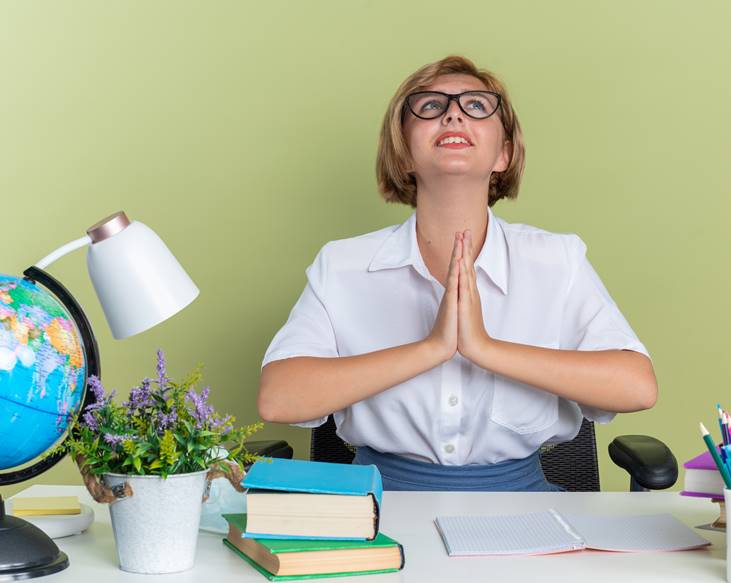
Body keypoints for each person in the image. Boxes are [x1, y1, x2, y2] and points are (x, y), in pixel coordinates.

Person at [258, 55, 658, 491]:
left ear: (503, 153)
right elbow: (279, 397)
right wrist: (432, 348)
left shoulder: (557, 260)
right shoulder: (342, 265)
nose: (453, 113)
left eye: (476, 106)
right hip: (380, 506)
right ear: (404, 151)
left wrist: (484, 348)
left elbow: (637, 386)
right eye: (430, 106)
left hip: (525, 504)